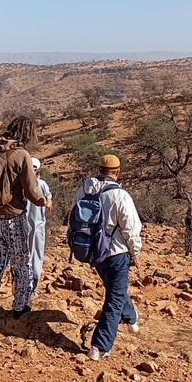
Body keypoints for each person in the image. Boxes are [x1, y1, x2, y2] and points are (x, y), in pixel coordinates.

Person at [0, 115, 47, 320]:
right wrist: (44, 201)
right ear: (27, 133)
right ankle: (21, 306)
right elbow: (31, 191)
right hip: (14, 216)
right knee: (21, 261)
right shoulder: (21, 154)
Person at [72, 154, 141, 360]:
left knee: (115, 291)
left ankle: (131, 317)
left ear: (99, 170)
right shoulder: (120, 196)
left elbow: (73, 220)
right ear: (117, 173)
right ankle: (99, 347)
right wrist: (135, 252)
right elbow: (131, 228)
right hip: (117, 253)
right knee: (113, 298)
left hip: (93, 252)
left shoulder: (82, 191)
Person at [24, 158, 53, 295]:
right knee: (36, 255)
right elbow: (49, 202)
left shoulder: (20, 183)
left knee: (22, 255)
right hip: (37, 225)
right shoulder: (42, 184)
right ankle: (32, 287)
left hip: (22, 224)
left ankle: (21, 285)